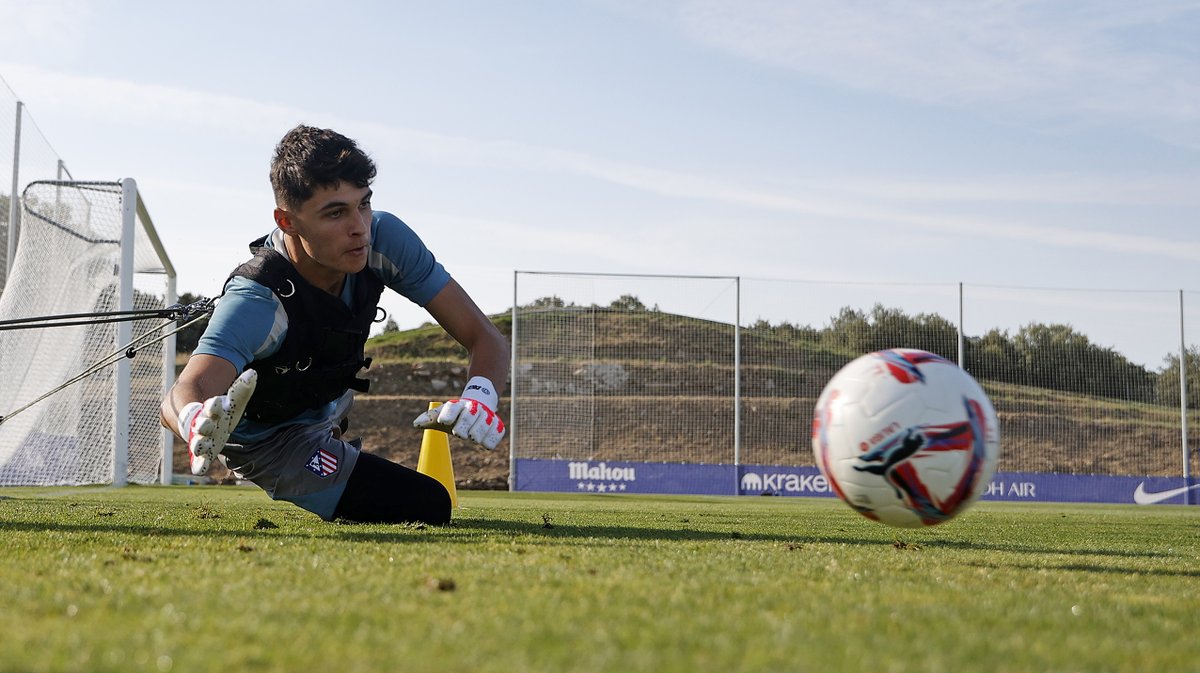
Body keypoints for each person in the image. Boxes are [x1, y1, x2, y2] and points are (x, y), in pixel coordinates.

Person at [160, 124, 508, 525]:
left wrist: (480, 397)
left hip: (327, 406)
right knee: (428, 504)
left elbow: (487, 339)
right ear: (287, 222)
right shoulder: (258, 299)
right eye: (335, 212)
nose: (358, 225)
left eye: (364, 203)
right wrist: (192, 420)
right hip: (271, 442)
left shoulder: (383, 239)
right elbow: (188, 388)